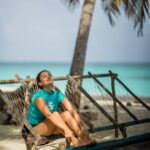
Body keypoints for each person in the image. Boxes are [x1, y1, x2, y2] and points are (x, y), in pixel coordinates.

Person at [27, 70, 96, 146]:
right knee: (56, 114)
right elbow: (49, 115)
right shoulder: (38, 96)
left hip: (53, 125)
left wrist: (82, 127)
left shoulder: (57, 94)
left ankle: (85, 139)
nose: (48, 76)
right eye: (44, 76)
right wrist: (66, 130)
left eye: (49, 75)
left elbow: (72, 110)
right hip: (35, 130)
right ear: (40, 83)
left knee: (66, 114)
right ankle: (75, 141)